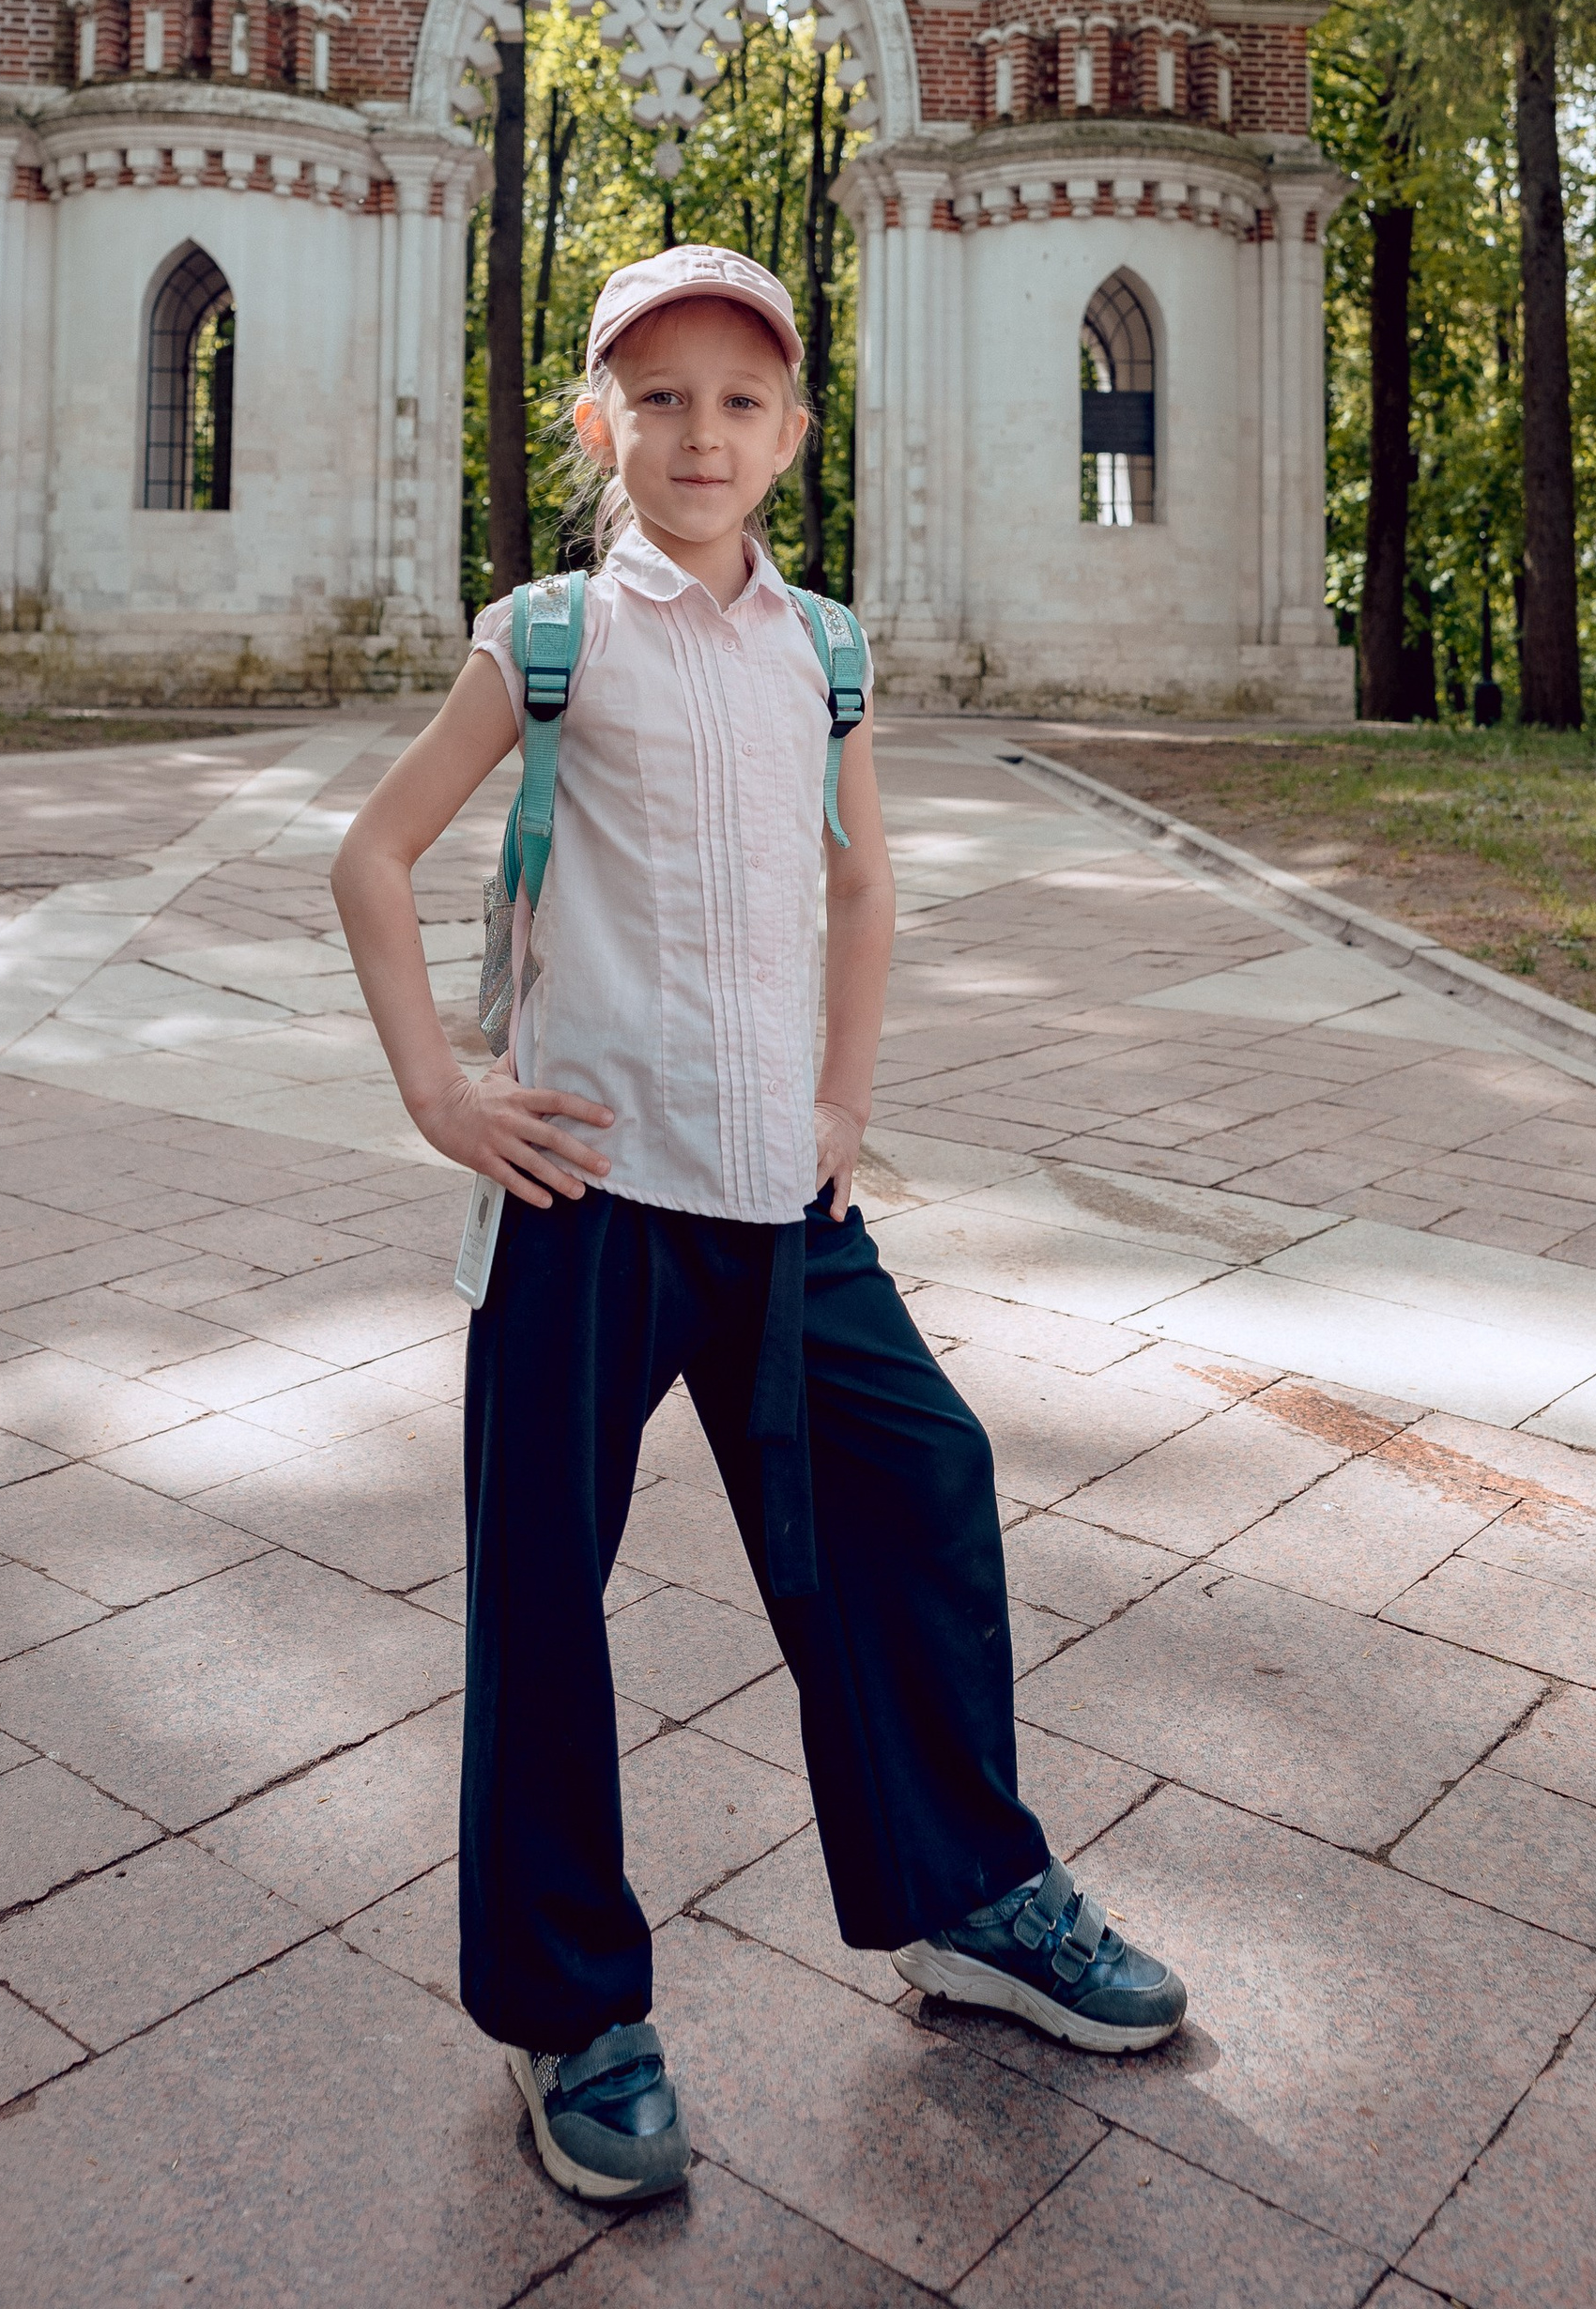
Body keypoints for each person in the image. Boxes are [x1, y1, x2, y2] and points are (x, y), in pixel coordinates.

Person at [331, 240, 1185, 2208]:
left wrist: (843, 1104)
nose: (698, 434)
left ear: (792, 434)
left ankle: (967, 1899)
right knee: (543, 1597)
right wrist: (444, 1097)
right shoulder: (551, 634)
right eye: (658, 400)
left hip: (782, 1206)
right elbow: (370, 854)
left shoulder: (823, 650)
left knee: (922, 1482)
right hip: (586, 1198)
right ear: (599, 427)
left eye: (737, 402)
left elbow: (860, 886)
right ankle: (568, 2009)